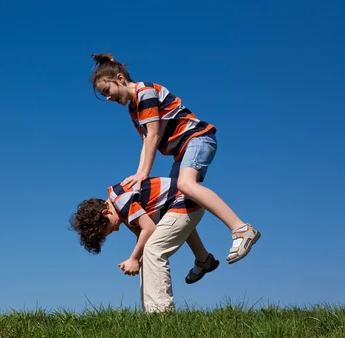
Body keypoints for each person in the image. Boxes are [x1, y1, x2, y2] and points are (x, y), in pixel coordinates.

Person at [89, 53, 260, 264]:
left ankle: (240, 228)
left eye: (107, 91)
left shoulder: (146, 93)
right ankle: (203, 259)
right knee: (174, 204)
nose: (108, 97)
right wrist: (138, 174)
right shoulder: (134, 110)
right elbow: (146, 142)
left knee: (185, 185)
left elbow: (153, 136)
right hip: (182, 152)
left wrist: (144, 172)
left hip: (197, 138)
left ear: (120, 79)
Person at [70, 177, 218, 312]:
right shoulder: (119, 207)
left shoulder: (122, 202)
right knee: (147, 252)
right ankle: (203, 259)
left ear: (105, 213)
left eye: (109, 228)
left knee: (154, 250)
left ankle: (161, 312)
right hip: (180, 203)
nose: (115, 230)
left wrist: (133, 258)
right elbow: (143, 235)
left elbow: (149, 229)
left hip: (187, 199)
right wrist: (138, 257)